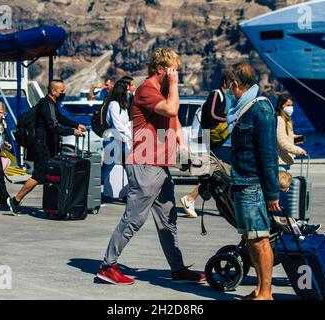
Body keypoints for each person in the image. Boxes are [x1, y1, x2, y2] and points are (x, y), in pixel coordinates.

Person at [96, 48, 205, 285]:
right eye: (173, 69)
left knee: (168, 220)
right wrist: (175, 84)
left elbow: (173, 119)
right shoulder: (146, 90)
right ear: (161, 70)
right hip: (144, 164)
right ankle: (107, 266)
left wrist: (182, 144)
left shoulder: (163, 91)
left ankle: (177, 269)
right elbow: (172, 109)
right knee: (133, 218)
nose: (177, 73)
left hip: (160, 166)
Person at [227, 63, 279, 300]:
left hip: (254, 186)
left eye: (229, 86)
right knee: (251, 240)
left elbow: (268, 155)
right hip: (241, 182)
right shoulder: (242, 110)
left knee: (260, 239)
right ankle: (259, 288)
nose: (228, 91)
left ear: (235, 84)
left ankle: (266, 293)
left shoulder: (260, 109)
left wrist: (272, 194)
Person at [7, 79, 86, 215]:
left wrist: (75, 124)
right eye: (62, 91)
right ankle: (15, 200)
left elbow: (59, 118)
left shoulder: (51, 104)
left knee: (47, 175)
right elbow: (54, 127)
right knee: (39, 175)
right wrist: (72, 132)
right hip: (41, 146)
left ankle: (50, 205)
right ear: (54, 91)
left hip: (45, 145)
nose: (64, 93)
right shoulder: (47, 105)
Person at [179, 71, 234, 218]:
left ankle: (223, 205)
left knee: (218, 176)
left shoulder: (227, 97)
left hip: (223, 141)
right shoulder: (219, 94)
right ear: (226, 83)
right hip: (221, 142)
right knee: (215, 174)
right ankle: (190, 198)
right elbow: (212, 115)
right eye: (233, 82)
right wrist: (230, 118)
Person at [101, 77, 135, 199]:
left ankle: (130, 194)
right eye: (129, 89)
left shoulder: (124, 104)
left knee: (129, 165)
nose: (130, 91)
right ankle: (93, 189)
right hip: (112, 139)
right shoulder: (114, 104)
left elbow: (125, 123)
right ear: (123, 89)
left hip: (122, 139)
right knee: (108, 166)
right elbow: (117, 124)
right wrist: (129, 134)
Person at [275, 94, 308, 172]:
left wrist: (294, 138)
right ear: (281, 105)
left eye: (292, 105)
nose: (290, 108)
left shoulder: (287, 119)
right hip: (280, 162)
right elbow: (282, 143)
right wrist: (299, 151)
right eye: (288, 105)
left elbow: (284, 136)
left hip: (284, 160)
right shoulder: (279, 120)